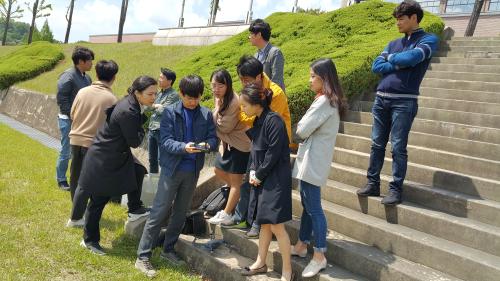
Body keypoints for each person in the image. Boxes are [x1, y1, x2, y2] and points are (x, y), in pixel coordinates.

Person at [357, 0, 439, 205]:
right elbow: (376, 66)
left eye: (401, 19)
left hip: (404, 101)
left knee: (398, 147)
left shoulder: (429, 39)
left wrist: (392, 59)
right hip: (381, 99)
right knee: (376, 144)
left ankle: (395, 189)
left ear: (414, 18)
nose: (397, 23)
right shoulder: (394, 43)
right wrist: (400, 59)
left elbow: (411, 59)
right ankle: (372, 183)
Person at [135, 75, 217, 278]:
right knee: (159, 210)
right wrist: (184, 147)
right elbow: (166, 141)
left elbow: (213, 138)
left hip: (192, 172)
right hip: (172, 170)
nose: (193, 102)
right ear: (181, 94)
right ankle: (142, 255)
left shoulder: (206, 114)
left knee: (180, 212)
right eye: (189, 98)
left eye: (197, 98)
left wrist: (208, 145)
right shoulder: (170, 113)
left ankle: (168, 249)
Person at [78, 76, 155, 255]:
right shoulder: (129, 111)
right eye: (150, 94)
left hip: (114, 153)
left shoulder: (131, 103)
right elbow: (134, 141)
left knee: (138, 170)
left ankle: (135, 208)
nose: (154, 98)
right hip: (104, 158)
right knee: (98, 200)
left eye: (155, 94)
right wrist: (146, 120)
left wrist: (145, 112)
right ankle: (89, 241)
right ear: (137, 93)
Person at [222, 55, 292, 238]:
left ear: (259, 76)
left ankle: (259, 223)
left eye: (247, 80)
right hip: (258, 143)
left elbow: (265, 123)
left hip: (273, 146)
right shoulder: (252, 92)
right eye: (242, 80)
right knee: (250, 182)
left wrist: (249, 115)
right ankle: (247, 219)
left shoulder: (275, 93)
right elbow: (244, 116)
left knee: (262, 185)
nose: (244, 84)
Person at [291, 58, 346, 278]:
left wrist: (302, 129)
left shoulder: (325, 101)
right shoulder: (325, 99)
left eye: (313, 76)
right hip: (312, 159)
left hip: (313, 160)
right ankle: (302, 244)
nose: (310, 80)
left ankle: (320, 255)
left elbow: (302, 129)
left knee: (314, 207)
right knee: (307, 203)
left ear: (324, 78)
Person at [239, 83, 293, 281]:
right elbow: (256, 150)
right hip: (263, 177)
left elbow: (273, 153)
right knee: (264, 224)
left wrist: (258, 173)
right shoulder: (258, 121)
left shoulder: (274, 120)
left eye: (244, 105)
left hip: (276, 179)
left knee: (277, 225)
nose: (242, 109)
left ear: (256, 103)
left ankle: (287, 270)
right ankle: (260, 262)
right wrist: (254, 170)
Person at [66, 60, 119, 227]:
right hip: (94, 144)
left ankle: (76, 212)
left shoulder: (82, 91)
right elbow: (111, 126)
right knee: (89, 181)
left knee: (75, 177)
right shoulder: (111, 98)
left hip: (75, 139)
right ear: (114, 77)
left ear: (96, 74)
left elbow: (72, 114)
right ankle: (78, 216)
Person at [207, 69, 251, 225]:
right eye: (213, 85)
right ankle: (238, 192)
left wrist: (210, 121)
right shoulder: (220, 98)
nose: (216, 90)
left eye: (220, 86)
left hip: (239, 145)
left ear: (228, 85)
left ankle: (226, 214)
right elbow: (218, 120)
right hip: (227, 144)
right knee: (218, 170)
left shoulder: (233, 102)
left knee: (235, 182)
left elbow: (225, 127)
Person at [55, 46, 94, 191]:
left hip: (81, 121)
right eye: (89, 60)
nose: (92, 63)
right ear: (80, 61)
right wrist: (73, 116)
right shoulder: (68, 76)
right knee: (66, 151)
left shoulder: (87, 77)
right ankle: (61, 179)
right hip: (67, 120)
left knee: (78, 153)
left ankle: (76, 179)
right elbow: (62, 99)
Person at [147, 68, 179, 174]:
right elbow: (148, 106)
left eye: (162, 77)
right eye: (159, 77)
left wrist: (155, 106)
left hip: (163, 131)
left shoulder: (173, 95)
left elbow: (164, 111)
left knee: (163, 160)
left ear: (169, 81)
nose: (159, 79)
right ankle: (153, 185)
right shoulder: (159, 94)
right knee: (152, 160)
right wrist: (156, 106)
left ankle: (164, 185)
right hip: (152, 129)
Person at [249, 19, 286, 92]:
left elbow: (276, 82)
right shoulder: (256, 55)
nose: (249, 37)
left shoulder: (275, 53)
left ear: (259, 35)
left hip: (274, 99)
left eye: (251, 34)